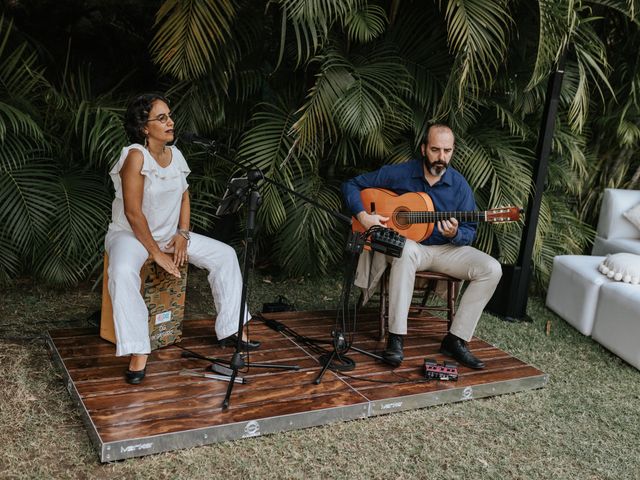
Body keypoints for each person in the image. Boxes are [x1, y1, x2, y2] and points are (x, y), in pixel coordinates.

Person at [105, 93, 259, 385]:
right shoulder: (135, 155)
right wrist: (156, 253)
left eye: (170, 115)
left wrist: (183, 234)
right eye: (161, 118)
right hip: (130, 236)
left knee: (225, 255)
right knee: (122, 271)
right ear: (143, 127)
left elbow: (185, 196)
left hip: (169, 235)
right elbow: (133, 212)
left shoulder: (176, 155)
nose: (171, 122)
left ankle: (232, 327)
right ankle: (138, 349)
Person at [342, 124, 502, 369]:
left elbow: (469, 232)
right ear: (424, 148)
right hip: (412, 248)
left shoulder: (459, 185)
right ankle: (396, 338)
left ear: (453, 151)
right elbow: (351, 184)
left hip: (447, 250)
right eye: (436, 150)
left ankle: (455, 339)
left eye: (447, 151)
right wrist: (364, 216)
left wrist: (455, 233)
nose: (441, 157)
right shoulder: (401, 173)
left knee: (492, 268)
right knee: (405, 250)